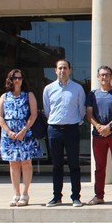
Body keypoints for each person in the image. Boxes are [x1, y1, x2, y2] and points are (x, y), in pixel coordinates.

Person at [43, 59, 86, 207]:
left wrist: (75, 122)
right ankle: (57, 197)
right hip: (54, 130)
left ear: (70, 70)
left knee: (74, 164)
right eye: (60, 68)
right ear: (55, 70)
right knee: (56, 165)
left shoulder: (78, 88)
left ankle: (76, 197)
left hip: (72, 129)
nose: (62, 71)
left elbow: (82, 110)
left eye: (65, 68)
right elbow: (48, 110)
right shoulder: (48, 89)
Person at [0, 69, 41, 207]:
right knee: (13, 164)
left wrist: (24, 130)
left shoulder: (29, 95)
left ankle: (25, 194)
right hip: (9, 134)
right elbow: (0, 116)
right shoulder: (4, 96)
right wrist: (8, 131)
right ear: (10, 80)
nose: (17, 80)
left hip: (24, 133)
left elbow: (33, 115)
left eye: (20, 78)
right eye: (15, 78)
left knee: (26, 163)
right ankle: (16, 193)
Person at [85, 66, 112, 206]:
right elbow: (89, 114)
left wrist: (109, 126)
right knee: (99, 167)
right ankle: (99, 196)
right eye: (102, 75)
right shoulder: (92, 94)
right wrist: (98, 127)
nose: (104, 77)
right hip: (98, 136)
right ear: (98, 77)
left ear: (111, 76)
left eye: (107, 74)